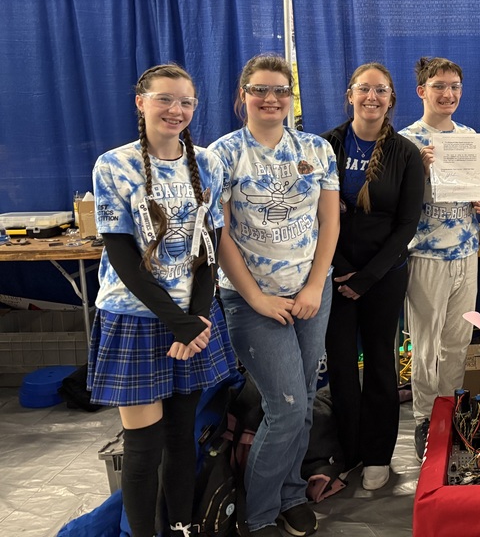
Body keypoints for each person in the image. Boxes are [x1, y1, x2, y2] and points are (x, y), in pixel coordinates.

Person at [89, 64, 233, 537]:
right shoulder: (114, 164)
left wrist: (196, 315)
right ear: (141, 102)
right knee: (144, 445)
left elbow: (209, 250)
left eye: (186, 102)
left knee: (181, 437)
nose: (176, 110)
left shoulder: (208, 162)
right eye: (164, 99)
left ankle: (182, 526)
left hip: (192, 318)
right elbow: (122, 257)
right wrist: (178, 322)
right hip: (136, 320)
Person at [212, 54, 340, 537]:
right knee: (284, 406)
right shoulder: (222, 154)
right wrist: (257, 298)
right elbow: (220, 233)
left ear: (292, 97)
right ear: (242, 95)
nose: (271, 99)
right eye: (260, 90)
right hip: (251, 300)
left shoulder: (316, 149)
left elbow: (331, 222)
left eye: (280, 91)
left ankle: (289, 491)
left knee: (303, 400)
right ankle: (259, 514)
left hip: (311, 293)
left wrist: (313, 285)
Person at [323, 62, 423, 492]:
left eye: (381, 90)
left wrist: (364, 278)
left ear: (391, 98)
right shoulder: (326, 146)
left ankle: (379, 454)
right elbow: (315, 214)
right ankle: (350, 451)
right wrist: (339, 265)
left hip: (383, 275)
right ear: (350, 95)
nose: (372, 98)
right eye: (364, 89)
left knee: (381, 363)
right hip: (332, 271)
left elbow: (406, 226)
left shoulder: (406, 154)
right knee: (342, 366)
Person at [399, 56, 480, 460]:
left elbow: (475, 196)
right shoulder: (405, 141)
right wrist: (418, 173)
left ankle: (452, 408)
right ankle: (424, 417)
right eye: (439, 86)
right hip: (425, 255)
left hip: (466, 251)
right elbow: (397, 205)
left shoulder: (469, 137)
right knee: (424, 344)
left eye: (454, 86)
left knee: (456, 342)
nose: (448, 93)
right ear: (422, 91)